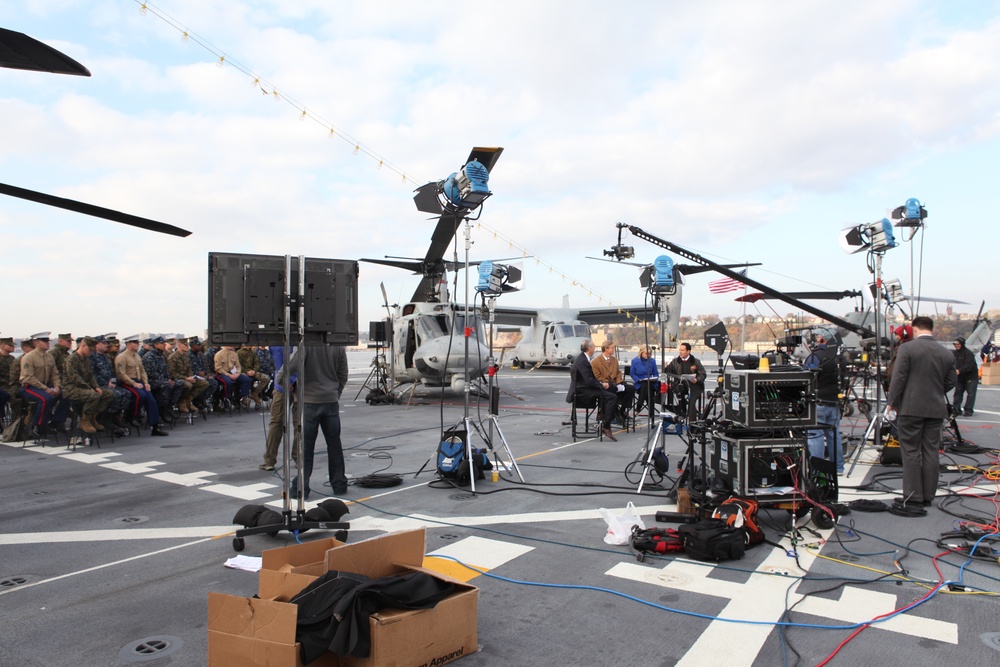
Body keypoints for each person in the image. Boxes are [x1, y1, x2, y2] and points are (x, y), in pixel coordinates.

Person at [887, 316, 956, 508]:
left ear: (914, 329)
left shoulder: (907, 349)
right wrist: (935, 392)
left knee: (910, 451)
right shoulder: (947, 353)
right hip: (935, 408)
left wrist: (891, 403)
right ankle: (928, 495)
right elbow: (951, 382)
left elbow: (898, 378)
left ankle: (913, 495)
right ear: (931, 329)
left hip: (911, 408)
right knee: (931, 451)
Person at [281, 345, 349, 499]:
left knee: (305, 448)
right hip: (330, 401)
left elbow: (289, 367)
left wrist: (284, 384)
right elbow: (343, 374)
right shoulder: (338, 346)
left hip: (309, 402)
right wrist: (335, 393)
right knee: (334, 445)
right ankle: (339, 484)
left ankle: (301, 488)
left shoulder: (306, 345)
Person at [804, 332, 846, 473]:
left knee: (816, 436)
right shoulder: (840, 358)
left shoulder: (815, 356)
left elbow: (806, 375)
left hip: (819, 402)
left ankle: (818, 470)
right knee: (834, 436)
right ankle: (838, 467)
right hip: (834, 402)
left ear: (822, 339)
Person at [565, 339, 618, 441]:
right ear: (589, 348)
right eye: (594, 347)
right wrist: (602, 385)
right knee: (612, 397)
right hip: (582, 391)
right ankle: (606, 425)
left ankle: (604, 416)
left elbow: (589, 379)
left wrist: (602, 384)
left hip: (584, 388)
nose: (595, 349)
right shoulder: (583, 361)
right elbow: (589, 381)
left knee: (611, 389)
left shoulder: (583, 358)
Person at [115, 334, 168, 436]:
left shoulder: (137, 356)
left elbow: (142, 371)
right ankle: (132, 417)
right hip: (128, 382)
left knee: (151, 400)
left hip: (139, 381)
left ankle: (155, 427)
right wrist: (133, 383)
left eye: (138, 342)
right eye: (135, 343)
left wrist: (146, 383)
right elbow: (121, 374)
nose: (138, 344)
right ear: (128, 344)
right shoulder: (121, 357)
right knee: (140, 395)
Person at [20, 332, 70, 437]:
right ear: (36, 343)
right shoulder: (28, 357)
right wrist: (46, 388)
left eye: (48, 341)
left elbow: (55, 374)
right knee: (45, 399)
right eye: (45, 341)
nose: (48, 343)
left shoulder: (49, 357)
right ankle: (38, 424)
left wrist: (57, 387)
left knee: (67, 395)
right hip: (29, 386)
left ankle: (56, 422)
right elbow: (29, 378)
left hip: (45, 385)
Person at [260, 345, 300, 471]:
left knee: (276, 423)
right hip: (299, 384)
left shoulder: (277, 344)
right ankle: (298, 457)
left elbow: (279, 365)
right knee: (298, 424)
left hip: (282, 385)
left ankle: (269, 460)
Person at [62, 337, 114, 434]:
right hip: (71, 389)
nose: (91, 352)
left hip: (85, 388)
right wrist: (90, 388)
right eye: (90, 350)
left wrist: (96, 387)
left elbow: (91, 375)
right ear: (83, 346)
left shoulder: (86, 359)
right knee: (93, 395)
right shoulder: (71, 359)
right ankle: (84, 420)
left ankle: (92, 417)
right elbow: (75, 378)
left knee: (109, 394)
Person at [590, 341, 634, 426]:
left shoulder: (614, 360)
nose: (613, 350)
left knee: (630, 388)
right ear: (606, 349)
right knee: (612, 388)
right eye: (612, 348)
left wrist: (618, 382)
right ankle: (614, 414)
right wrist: (607, 382)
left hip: (615, 383)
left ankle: (622, 410)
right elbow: (597, 376)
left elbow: (618, 372)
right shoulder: (596, 362)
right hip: (605, 385)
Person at [664, 342, 707, 422]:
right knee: (679, 392)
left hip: (694, 385)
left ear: (688, 351)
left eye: (682, 350)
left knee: (692, 401)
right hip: (680, 384)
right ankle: (682, 413)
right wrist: (666, 368)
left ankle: (692, 420)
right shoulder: (675, 361)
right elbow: (669, 372)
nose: (680, 352)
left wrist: (697, 380)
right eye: (680, 350)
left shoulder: (696, 362)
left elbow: (703, 374)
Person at [952, 336, 978, 417]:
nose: (957, 346)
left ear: (962, 344)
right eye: (955, 344)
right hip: (959, 378)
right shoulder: (954, 353)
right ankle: (956, 409)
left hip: (970, 377)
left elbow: (968, 365)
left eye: (958, 344)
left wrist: (959, 370)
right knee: (957, 394)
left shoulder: (969, 354)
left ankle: (968, 410)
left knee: (971, 394)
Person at [629, 345, 659, 415]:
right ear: (641, 353)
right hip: (639, 383)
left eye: (649, 354)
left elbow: (656, 373)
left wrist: (654, 379)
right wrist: (638, 380)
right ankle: (651, 413)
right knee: (646, 387)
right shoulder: (635, 361)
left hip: (651, 383)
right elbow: (632, 374)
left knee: (646, 385)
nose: (647, 355)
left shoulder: (652, 361)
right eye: (646, 353)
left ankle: (639, 406)